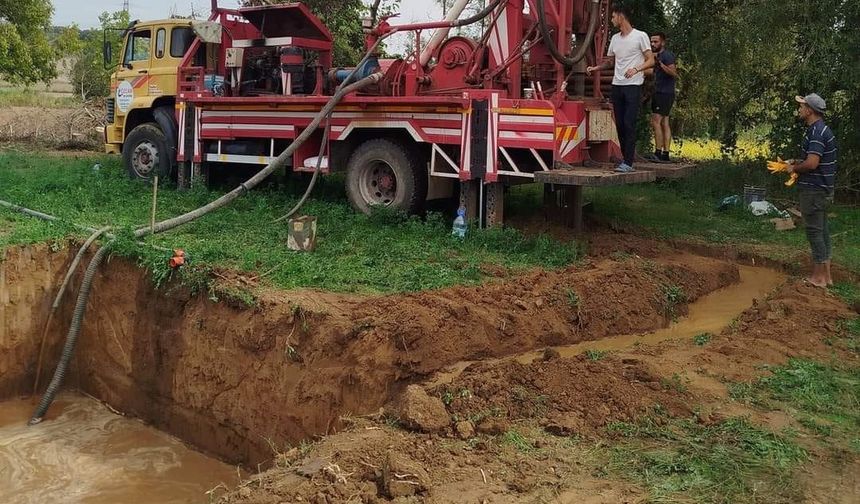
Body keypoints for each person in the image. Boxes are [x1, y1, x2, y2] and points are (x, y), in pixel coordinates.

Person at [586, 4, 655, 173]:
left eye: (613, 16)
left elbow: (651, 60)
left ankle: (628, 162)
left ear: (621, 17)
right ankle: (625, 159)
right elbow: (610, 61)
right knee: (620, 126)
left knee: (629, 123)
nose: (612, 19)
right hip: (617, 86)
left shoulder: (640, 36)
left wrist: (637, 69)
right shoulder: (615, 38)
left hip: (633, 85)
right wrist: (596, 68)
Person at [787, 93, 837, 287]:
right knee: (822, 231)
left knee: (814, 232)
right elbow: (813, 160)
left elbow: (812, 163)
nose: (799, 109)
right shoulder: (821, 130)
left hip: (814, 191)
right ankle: (827, 276)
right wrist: (794, 162)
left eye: (802, 106)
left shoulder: (816, 132)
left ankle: (818, 278)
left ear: (809, 110)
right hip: (822, 190)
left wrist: (795, 168)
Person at [646, 32, 677, 162]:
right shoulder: (656, 56)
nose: (653, 44)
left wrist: (661, 65)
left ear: (662, 42)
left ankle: (658, 153)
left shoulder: (667, 56)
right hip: (661, 92)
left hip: (664, 93)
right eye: (651, 42)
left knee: (656, 121)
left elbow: (674, 73)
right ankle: (665, 154)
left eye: (656, 42)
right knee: (664, 122)